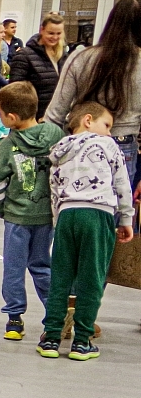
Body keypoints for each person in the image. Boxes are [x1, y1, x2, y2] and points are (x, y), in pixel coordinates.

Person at [37, 101, 134, 361]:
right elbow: (122, 184)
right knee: (91, 278)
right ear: (88, 120)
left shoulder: (60, 149)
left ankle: (51, 337)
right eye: (107, 125)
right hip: (98, 215)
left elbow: (54, 189)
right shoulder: (108, 145)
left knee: (60, 277)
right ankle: (81, 341)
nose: (110, 132)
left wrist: (58, 222)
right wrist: (126, 219)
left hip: (67, 215)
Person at [0, 80, 60, 341]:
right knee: (42, 265)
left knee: (14, 267)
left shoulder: (7, 146)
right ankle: (55, 313)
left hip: (17, 217)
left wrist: (2, 209)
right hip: (47, 216)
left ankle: (14, 317)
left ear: (12, 117)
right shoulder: (55, 135)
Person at [47, 0, 141, 189]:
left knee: (72, 204)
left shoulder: (81, 57)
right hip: (124, 147)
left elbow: (54, 115)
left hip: (78, 145)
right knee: (117, 208)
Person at [9, 12, 74, 119]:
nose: (55, 37)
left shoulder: (63, 56)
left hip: (56, 116)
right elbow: (15, 92)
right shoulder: (24, 55)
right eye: (51, 33)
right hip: (31, 118)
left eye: (58, 33)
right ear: (42, 30)